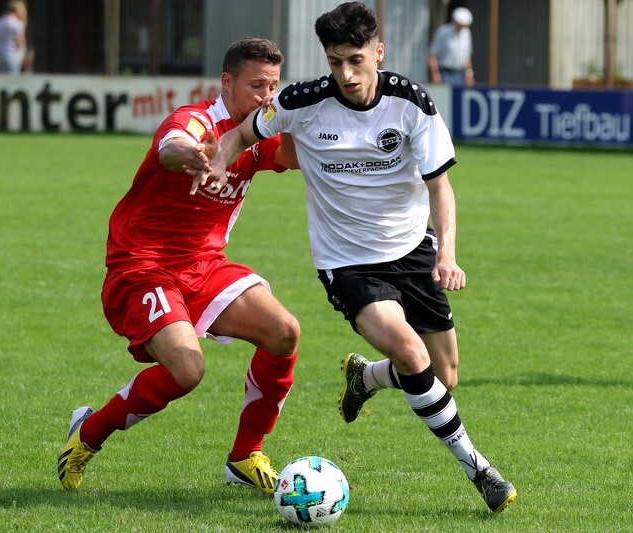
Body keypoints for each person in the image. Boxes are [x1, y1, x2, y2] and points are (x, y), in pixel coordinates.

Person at [196, 2, 517, 513]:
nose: (345, 74)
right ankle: (480, 471)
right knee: (411, 353)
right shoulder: (301, 102)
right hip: (347, 263)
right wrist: (218, 163)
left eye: (355, 60)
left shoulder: (411, 103)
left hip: (413, 251)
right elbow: (240, 133)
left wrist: (447, 254)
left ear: (378, 52)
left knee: (443, 374)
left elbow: (441, 187)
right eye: (335, 61)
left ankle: (365, 377)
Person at [57, 37, 300, 495]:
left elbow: (291, 156)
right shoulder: (196, 121)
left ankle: (245, 456)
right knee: (187, 371)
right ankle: (88, 433)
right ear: (226, 82)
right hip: (143, 264)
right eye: (256, 86)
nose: (265, 96)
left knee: (284, 331)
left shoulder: (257, 132)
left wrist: (288, 115)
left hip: (204, 265)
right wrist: (194, 154)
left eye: (273, 86)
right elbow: (172, 145)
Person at [428, 6, 475, 86]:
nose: (461, 28)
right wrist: (435, 73)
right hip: (444, 73)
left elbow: (467, 56)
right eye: (460, 25)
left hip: (460, 74)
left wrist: (469, 74)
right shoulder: (443, 31)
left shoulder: (467, 33)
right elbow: (432, 54)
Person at [0, 1, 27, 74]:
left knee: (3, 78)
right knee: (13, 79)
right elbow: (20, 41)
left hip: (0, 54)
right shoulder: (18, 23)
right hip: (13, 55)